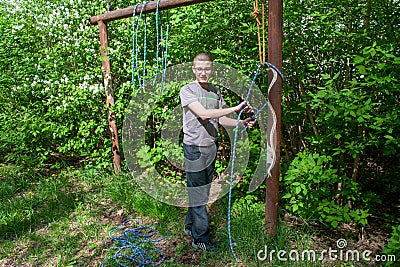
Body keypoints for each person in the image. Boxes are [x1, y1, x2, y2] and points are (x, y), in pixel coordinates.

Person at [179, 53, 256, 252]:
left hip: (210, 147)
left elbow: (220, 119)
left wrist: (242, 123)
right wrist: (235, 107)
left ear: (211, 70)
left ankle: (190, 227)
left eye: (207, 69)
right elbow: (204, 114)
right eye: (199, 68)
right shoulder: (187, 90)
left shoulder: (215, 91)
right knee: (198, 195)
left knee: (201, 191)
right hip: (194, 149)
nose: (203, 72)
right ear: (194, 69)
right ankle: (201, 239)